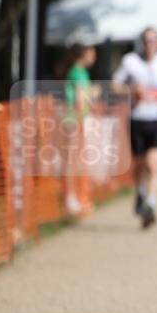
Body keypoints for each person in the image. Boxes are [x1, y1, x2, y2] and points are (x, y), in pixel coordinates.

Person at [112, 27, 157, 228]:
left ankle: (151, 203)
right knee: (140, 164)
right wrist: (133, 89)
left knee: (153, 163)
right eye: (146, 40)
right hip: (137, 118)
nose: (149, 44)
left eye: (153, 40)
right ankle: (140, 194)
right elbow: (115, 85)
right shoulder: (130, 61)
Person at [63, 42, 97, 216]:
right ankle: (70, 199)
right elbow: (79, 100)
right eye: (91, 52)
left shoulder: (79, 72)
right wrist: (92, 96)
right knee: (71, 160)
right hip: (74, 120)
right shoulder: (78, 72)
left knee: (75, 160)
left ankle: (75, 197)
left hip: (76, 119)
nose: (94, 56)